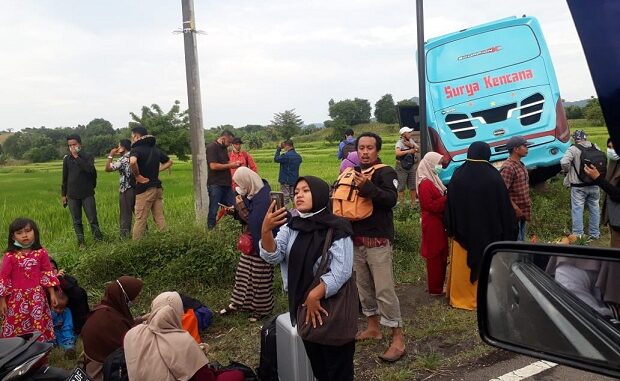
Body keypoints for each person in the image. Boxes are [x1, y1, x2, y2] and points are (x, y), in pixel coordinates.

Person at [260, 176, 355, 381]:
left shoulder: (338, 228)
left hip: (331, 307)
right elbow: (273, 256)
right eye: (296, 192)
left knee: (338, 369)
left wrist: (315, 294)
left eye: (305, 190)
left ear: (320, 194)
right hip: (302, 306)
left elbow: (342, 271)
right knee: (318, 366)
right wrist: (266, 230)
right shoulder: (291, 226)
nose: (299, 195)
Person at [350, 132, 406, 363]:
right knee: (364, 289)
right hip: (356, 242)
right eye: (361, 148)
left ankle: (398, 337)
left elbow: (391, 199)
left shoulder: (385, 172)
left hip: (378, 243)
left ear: (377, 150)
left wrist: (368, 188)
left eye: (369, 148)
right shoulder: (352, 173)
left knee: (384, 290)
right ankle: (373, 327)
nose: (364, 152)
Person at [444, 141, 517, 311]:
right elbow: (503, 207)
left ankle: (460, 298)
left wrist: (452, 227)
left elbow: (450, 205)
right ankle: (485, 297)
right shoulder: (493, 176)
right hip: (488, 233)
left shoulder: (459, 174)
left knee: (463, 265)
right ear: (486, 154)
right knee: (486, 263)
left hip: (463, 232)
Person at [124, 291, 244, 381]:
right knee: (236, 375)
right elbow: (204, 378)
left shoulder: (131, 334)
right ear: (178, 313)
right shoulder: (183, 340)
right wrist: (197, 354)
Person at [219, 167, 276, 321]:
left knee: (260, 277)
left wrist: (240, 207)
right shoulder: (251, 193)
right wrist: (234, 211)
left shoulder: (264, 198)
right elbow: (245, 216)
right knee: (243, 274)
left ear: (248, 181)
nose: (239, 187)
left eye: (240, 183)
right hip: (250, 242)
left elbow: (256, 221)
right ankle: (238, 303)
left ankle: (262, 309)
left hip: (261, 242)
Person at [0, 218, 59, 342]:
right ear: (13, 237)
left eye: (27, 231)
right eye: (19, 233)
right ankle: (15, 355)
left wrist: (52, 293)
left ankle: (39, 355)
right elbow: (4, 278)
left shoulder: (41, 253)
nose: (24, 235)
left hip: (37, 297)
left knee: (37, 326)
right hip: (16, 299)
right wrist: (2, 301)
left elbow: (47, 273)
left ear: (35, 233)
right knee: (15, 325)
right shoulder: (9, 256)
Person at [81, 276, 143, 381]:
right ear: (125, 297)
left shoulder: (105, 310)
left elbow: (125, 324)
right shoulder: (110, 321)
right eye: (134, 297)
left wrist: (141, 319)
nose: (136, 300)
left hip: (92, 362)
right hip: (101, 372)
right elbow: (129, 344)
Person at [582, 161, 620, 318]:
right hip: (616, 221)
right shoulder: (615, 162)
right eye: (609, 146)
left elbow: (617, 194)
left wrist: (598, 178)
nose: (611, 149)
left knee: (616, 266)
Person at [129, 125, 173, 240]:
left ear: (136, 136)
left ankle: (136, 248)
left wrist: (138, 176)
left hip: (144, 190)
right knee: (159, 217)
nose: (132, 138)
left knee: (140, 219)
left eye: (132, 136)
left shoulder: (135, 150)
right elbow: (169, 162)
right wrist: (157, 170)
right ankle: (167, 242)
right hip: (157, 188)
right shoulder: (155, 150)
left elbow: (132, 162)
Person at [61, 134, 103, 248]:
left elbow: (89, 170)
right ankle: (81, 242)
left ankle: (99, 241)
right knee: (76, 221)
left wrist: (77, 157)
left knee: (92, 219)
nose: (72, 147)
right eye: (70, 145)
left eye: (74, 144)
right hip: (72, 195)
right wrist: (63, 195)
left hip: (87, 193)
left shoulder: (88, 156)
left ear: (80, 144)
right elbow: (64, 178)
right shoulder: (67, 159)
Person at [416, 152, 448, 295]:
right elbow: (429, 205)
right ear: (429, 164)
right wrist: (446, 199)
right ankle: (435, 288)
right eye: (438, 163)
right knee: (434, 255)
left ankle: (439, 285)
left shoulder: (433, 179)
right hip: (432, 222)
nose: (440, 167)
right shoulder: (425, 183)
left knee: (441, 253)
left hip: (437, 221)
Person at [560, 129, 601, 239]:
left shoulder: (573, 149)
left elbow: (564, 162)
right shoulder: (595, 146)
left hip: (578, 187)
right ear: (585, 137)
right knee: (595, 208)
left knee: (578, 210)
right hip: (595, 184)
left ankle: (578, 236)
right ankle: (595, 234)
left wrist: (567, 171)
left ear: (575, 138)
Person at [500, 136, 532, 241]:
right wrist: (515, 208)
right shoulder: (508, 167)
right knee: (516, 243)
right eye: (525, 146)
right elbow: (502, 192)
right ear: (516, 149)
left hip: (523, 211)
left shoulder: (520, 164)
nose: (527, 149)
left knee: (522, 241)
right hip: (514, 214)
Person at [206, 130, 240, 229]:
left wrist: (235, 164)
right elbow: (213, 166)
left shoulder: (224, 148)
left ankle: (232, 227)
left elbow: (227, 162)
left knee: (234, 207)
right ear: (223, 138)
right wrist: (230, 165)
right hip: (215, 184)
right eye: (229, 142)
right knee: (213, 209)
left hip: (226, 184)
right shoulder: (212, 147)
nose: (229, 145)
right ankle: (210, 230)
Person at [105, 139, 135, 238]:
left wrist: (111, 155)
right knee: (139, 214)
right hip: (138, 189)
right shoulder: (135, 155)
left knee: (125, 216)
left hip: (126, 190)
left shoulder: (123, 159)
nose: (117, 148)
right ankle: (143, 235)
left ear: (122, 148)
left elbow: (108, 169)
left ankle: (124, 238)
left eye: (118, 146)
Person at [50, 259, 90, 334]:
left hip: (68, 313)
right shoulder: (38, 284)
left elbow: (78, 294)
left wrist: (59, 280)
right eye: (48, 269)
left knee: (79, 292)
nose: (52, 271)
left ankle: (79, 329)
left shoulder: (64, 278)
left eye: (54, 268)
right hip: (52, 316)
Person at [394, 126, 420, 204]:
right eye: (408, 132)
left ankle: (413, 204)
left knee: (412, 186)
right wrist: (409, 151)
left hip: (411, 166)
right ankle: (402, 205)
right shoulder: (399, 143)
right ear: (403, 134)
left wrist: (411, 145)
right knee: (401, 186)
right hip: (401, 167)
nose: (410, 134)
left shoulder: (411, 141)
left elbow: (418, 149)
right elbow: (397, 153)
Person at [274, 139, 303, 206]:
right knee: (294, 197)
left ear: (287, 146)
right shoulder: (298, 157)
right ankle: (297, 211)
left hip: (285, 180)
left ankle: (287, 214)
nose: (284, 148)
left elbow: (276, 159)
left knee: (285, 198)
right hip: (294, 180)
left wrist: (279, 149)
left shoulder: (286, 156)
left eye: (284, 147)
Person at [51, 291, 76, 358]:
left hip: (62, 331)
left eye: (61, 308)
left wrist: (67, 338)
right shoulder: (48, 312)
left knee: (68, 336)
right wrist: (54, 314)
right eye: (55, 307)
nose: (58, 310)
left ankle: (69, 348)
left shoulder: (67, 311)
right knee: (51, 340)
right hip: (52, 332)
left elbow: (68, 326)